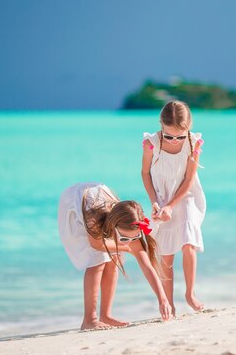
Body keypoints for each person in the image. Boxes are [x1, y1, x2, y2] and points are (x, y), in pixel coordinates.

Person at [58, 182, 171, 329]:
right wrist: (126, 248)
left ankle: (106, 315)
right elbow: (96, 245)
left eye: (133, 238)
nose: (130, 242)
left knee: (114, 256)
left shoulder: (132, 225)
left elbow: (147, 267)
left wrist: (162, 299)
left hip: (98, 199)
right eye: (124, 238)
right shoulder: (94, 218)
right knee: (96, 260)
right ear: (113, 226)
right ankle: (89, 319)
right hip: (73, 203)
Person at [141, 100, 206, 315]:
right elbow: (145, 173)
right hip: (160, 199)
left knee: (188, 243)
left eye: (180, 135)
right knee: (166, 255)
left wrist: (171, 205)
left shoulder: (193, 143)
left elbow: (189, 178)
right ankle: (168, 304)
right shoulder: (152, 144)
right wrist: (155, 203)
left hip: (186, 196)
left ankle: (190, 294)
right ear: (161, 125)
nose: (175, 140)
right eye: (169, 136)